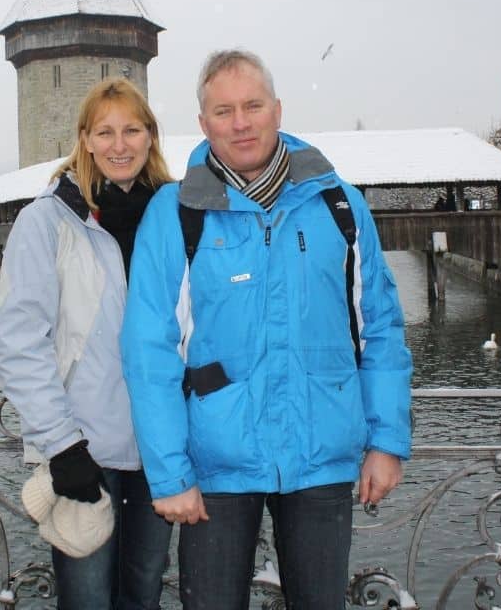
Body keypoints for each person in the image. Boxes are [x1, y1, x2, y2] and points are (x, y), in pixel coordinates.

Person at [120, 49, 413, 609]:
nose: (240, 122)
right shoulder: (177, 213)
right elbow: (147, 350)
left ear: (277, 110)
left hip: (321, 453)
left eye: (252, 105)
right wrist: (170, 472)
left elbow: (380, 328)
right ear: (203, 124)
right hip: (214, 466)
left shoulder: (339, 205)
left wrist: (386, 440)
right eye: (224, 111)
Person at [0, 78, 174, 609]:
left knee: (143, 594)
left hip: (160, 449)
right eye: (105, 131)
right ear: (85, 140)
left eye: (132, 130)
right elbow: (19, 341)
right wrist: (61, 444)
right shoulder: (47, 221)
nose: (120, 145)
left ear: (150, 137)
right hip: (84, 450)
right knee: (87, 599)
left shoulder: (174, 217)